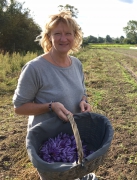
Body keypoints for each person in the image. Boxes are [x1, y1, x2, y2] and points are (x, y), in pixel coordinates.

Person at [12, 11, 97, 180]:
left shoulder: (77, 64)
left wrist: (83, 102)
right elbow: (19, 107)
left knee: (78, 173)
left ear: (75, 37)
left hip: (73, 139)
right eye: (57, 33)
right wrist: (50, 106)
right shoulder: (35, 69)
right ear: (49, 37)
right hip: (51, 146)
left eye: (68, 34)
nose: (63, 39)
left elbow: (83, 93)